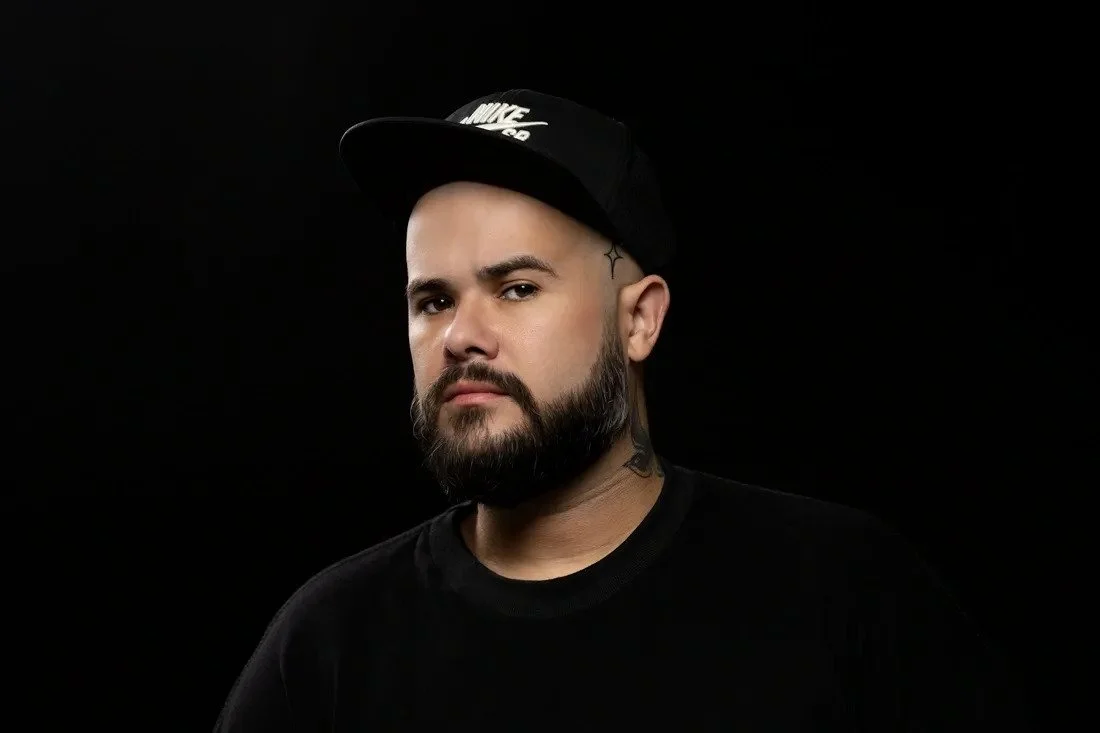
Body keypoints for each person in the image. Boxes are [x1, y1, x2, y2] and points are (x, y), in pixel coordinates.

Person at [214, 89, 1030, 731]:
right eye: (432, 300)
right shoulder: (330, 643)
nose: (461, 335)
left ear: (638, 319)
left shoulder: (843, 593)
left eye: (517, 287)